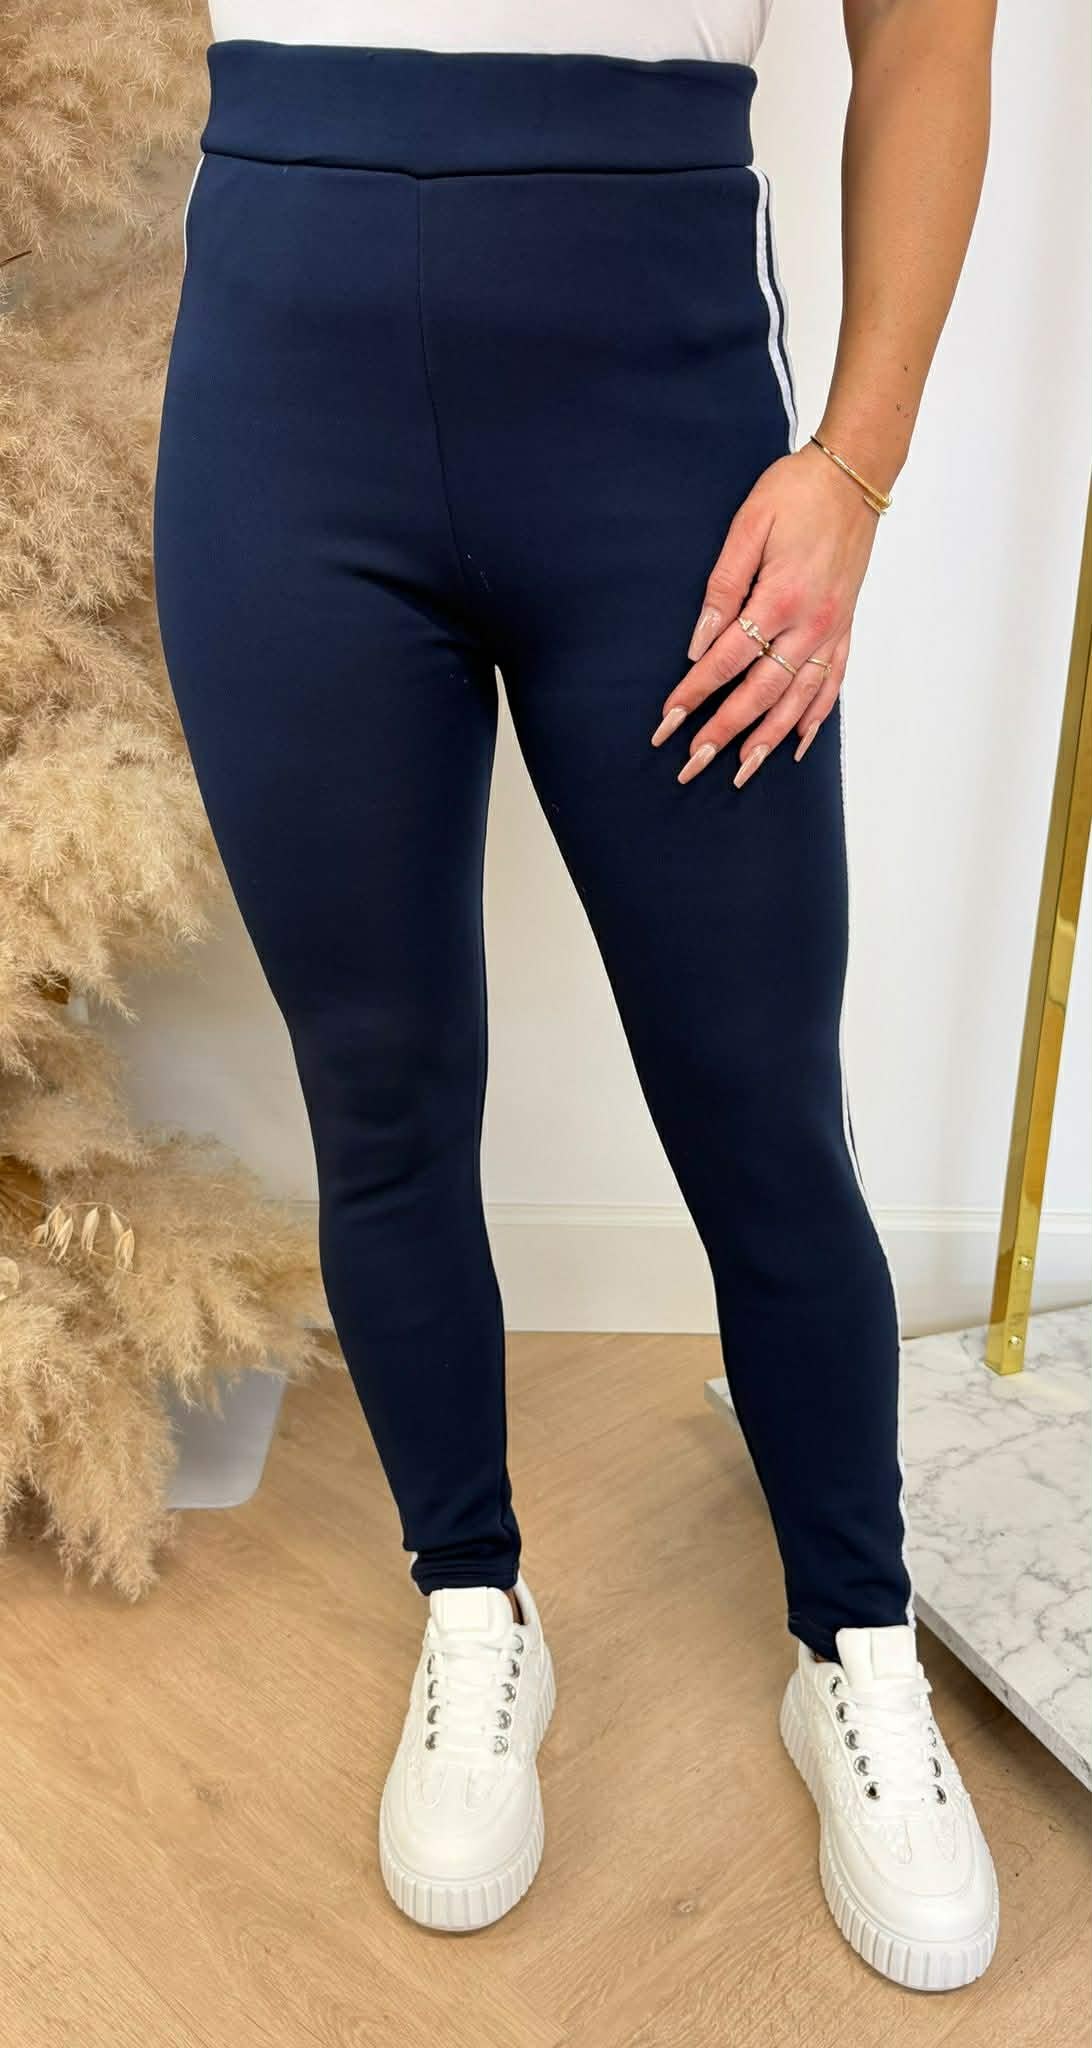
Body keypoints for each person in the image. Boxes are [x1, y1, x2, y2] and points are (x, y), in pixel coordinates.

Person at [152, 0, 1001, 1987]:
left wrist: (857, 468)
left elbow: (930, 41)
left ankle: (854, 1645)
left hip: (652, 415)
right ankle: (476, 1610)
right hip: (281, 409)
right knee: (377, 1086)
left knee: (757, 1101)